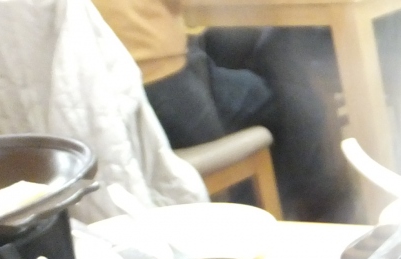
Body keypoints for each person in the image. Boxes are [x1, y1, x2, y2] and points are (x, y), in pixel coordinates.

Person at [90, 0, 356, 222]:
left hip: (110, 87)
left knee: (268, 75)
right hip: (158, 75)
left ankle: (285, 211)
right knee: (297, 107)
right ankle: (304, 217)